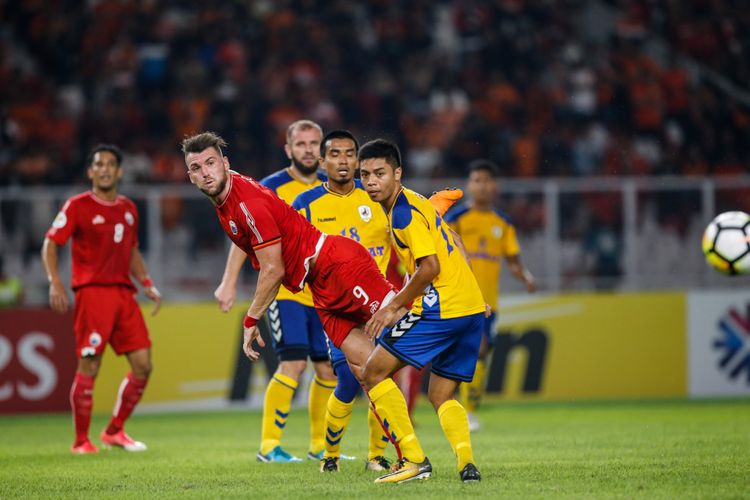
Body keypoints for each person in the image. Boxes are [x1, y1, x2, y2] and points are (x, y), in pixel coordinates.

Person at [184, 131, 472, 484]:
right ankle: (413, 459)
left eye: (211, 163)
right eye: (196, 167)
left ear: (225, 164)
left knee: (392, 353)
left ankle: (398, 453)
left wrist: (250, 319)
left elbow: (273, 268)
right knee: (365, 370)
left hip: (340, 266)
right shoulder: (231, 200)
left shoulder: (246, 203)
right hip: (319, 289)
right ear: (190, 175)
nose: (205, 172)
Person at [358, 138, 486, 483]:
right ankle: (466, 464)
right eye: (365, 174)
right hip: (469, 308)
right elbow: (455, 242)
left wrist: (394, 307)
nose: (371, 181)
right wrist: (474, 290)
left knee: (371, 373)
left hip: (442, 308)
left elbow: (428, 268)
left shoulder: (401, 214)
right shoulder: (415, 200)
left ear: (397, 173)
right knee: (441, 393)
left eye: (380, 173)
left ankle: (413, 460)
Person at [214, 120, 335, 463]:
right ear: (289, 149)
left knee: (326, 370)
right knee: (293, 364)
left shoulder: (334, 186)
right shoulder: (270, 187)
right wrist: (229, 280)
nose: (309, 149)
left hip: (323, 293)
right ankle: (269, 446)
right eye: (302, 144)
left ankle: (319, 447)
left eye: (315, 143)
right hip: (287, 293)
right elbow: (244, 238)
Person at [41, 144, 162, 454]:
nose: (105, 168)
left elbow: (132, 250)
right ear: (90, 171)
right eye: (99, 164)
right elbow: (51, 244)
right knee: (90, 366)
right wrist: (55, 283)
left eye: (111, 164)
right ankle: (81, 442)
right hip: (92, 293)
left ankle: (114, 431)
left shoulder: (128, 208)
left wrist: (146, 282)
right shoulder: (77, 206)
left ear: (119, 171)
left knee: (143, 365)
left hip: (124, 294)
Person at [291, 130, 394, 473]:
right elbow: (292, 257)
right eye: (335, 154)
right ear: (322, 162)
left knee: (380, 379)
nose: (344, 160)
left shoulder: (379, 199)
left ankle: (376, 456)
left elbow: (406, 245)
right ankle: (330, 454)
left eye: (350, 154)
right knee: (348, 382)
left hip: (378, 308)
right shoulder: (306, 205)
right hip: (338, 312)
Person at [444, 159, 536, 432]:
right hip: (456, 298)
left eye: (486, 180)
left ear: (494, 186)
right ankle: (456, 408)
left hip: (487, 304)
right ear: (469, 184)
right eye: (476, 180)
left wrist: (527, 278)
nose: (481, 186)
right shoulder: (456, 218)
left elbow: (514, 261)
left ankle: (468, 412)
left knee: (479, 354)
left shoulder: (502, 223)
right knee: (469, 353)